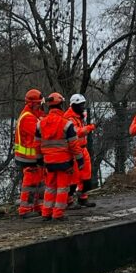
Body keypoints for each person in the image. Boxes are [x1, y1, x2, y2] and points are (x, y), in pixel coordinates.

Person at [39, 92, 84, 220]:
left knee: (50, 188)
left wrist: (39, 159)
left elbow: (36, 144)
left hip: (48, 162)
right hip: (64, 162)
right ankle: (58, 214)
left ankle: (46, 213)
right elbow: (74, 144)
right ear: (61, 105)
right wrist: (80, 159)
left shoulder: (41, 123)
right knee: (62, 188)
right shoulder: (66, 123)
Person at [13, 88, 46, 217]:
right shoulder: (28, 118)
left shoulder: (32, 115)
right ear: (32, 104)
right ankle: (25, 210)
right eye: (38, 104)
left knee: (38, 182)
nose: (40, 106)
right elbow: (40, 133)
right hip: (28, 157)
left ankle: (38, 206)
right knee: (30, 183)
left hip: (32, 156)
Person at [64, 93, 97, 208]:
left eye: (83, 105)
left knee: (86, 177)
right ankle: (69, 201)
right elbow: (77, 132)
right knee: (73, 179)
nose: (82, 107)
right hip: (73, 151)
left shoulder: (79, 116)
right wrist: (90, 127)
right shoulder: (69, 118)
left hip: (83, 149)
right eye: (80, 105)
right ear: (73, 105)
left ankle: (83, 198)